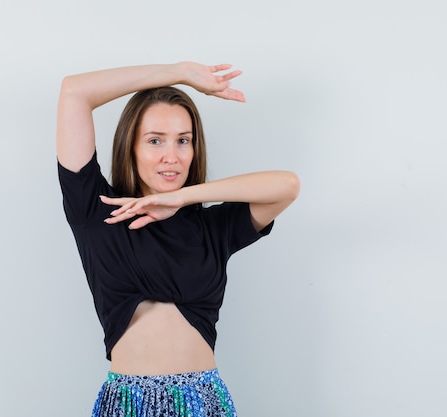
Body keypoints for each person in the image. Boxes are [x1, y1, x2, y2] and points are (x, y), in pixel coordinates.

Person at [57, 61, 300, 417]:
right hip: (127, 405)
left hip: (203, 403)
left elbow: (287, 186)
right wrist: (181, 73)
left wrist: (181, 197)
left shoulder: (212, 227)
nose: (171, 156)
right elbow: (74, 91)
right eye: (155, 140)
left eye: (183, 141)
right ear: (131, 146)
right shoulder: (98, 212)